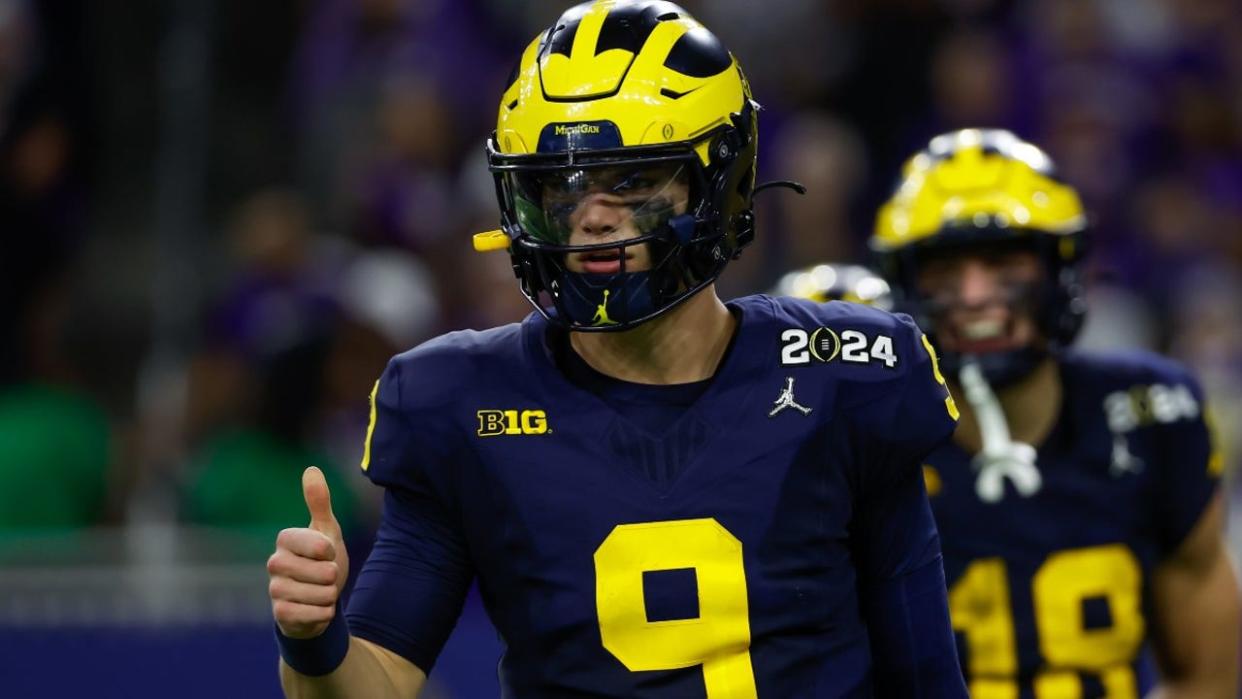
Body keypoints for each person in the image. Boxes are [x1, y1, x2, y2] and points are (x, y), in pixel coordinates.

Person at [268, 2, 968, 696]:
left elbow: (926, 678)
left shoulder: (842, 376)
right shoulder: (460, 401)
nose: (593, 217)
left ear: (719, 182)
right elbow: (379, 681)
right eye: (562, 186)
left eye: (632, 181)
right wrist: (315, 639)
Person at [870, 128, 1240, 698]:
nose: (974, 295)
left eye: (1004, 263)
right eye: (945, 269)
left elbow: (1207, 675)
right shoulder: (868, 439)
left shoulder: (1151, 415)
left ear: (1060, 269)